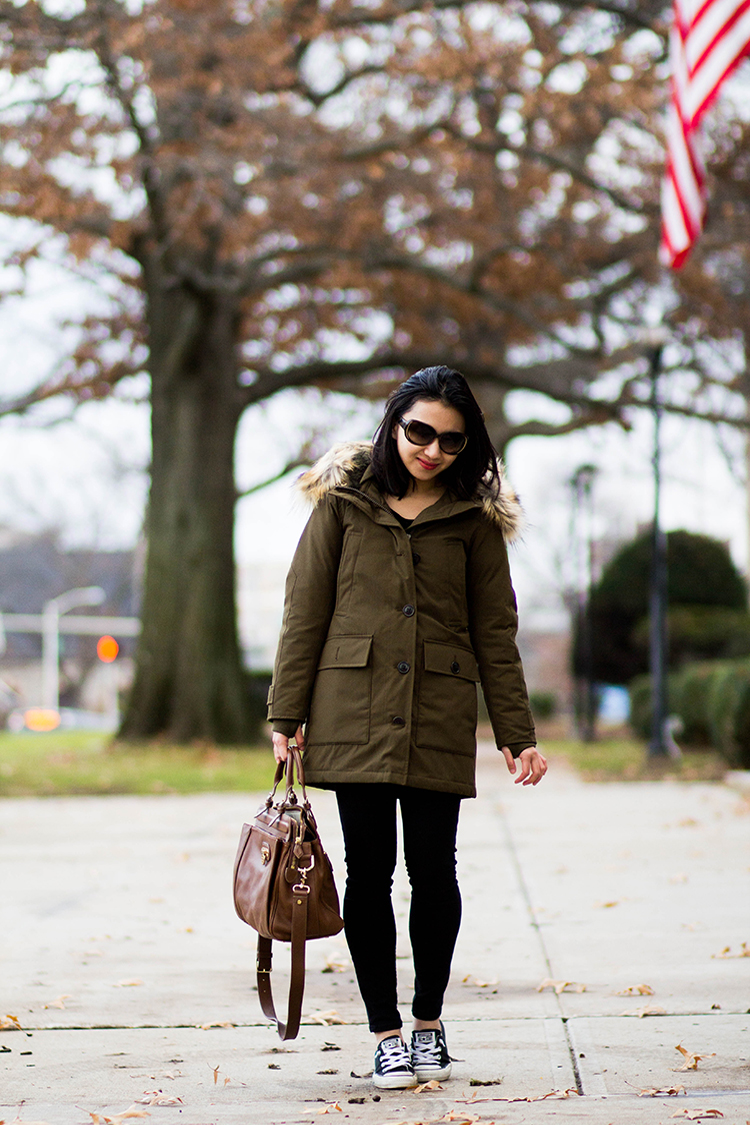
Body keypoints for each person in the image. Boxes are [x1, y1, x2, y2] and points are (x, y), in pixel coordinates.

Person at [268, 366, 547, 1089]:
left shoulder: (474, 522)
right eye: (419, 431)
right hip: (351, 707)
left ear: (467, 447)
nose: (431, 450)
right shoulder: (343, 504)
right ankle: (384, 1031)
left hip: (439, 710)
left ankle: (427, 1021)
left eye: (450, 441)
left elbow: (496, 630)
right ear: (394, 423)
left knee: (434, 870)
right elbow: (305, 611)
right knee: (369, 873)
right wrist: (285, 713)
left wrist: (517, 732)